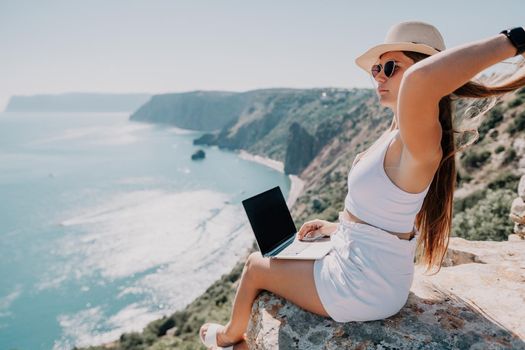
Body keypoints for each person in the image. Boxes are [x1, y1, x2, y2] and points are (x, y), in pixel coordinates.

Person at [199, 20, 525, 350]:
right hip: (369, 271)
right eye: (375, 70)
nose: (379, 76)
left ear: (423, 70)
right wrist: (336, 229)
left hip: (362, 287)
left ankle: (230, 338)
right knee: (277, 255)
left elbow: (421, 81)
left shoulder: (420, 144)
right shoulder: (397, 136)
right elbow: (385, 214)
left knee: (256, 266)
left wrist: (513, 40)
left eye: (390, 67)